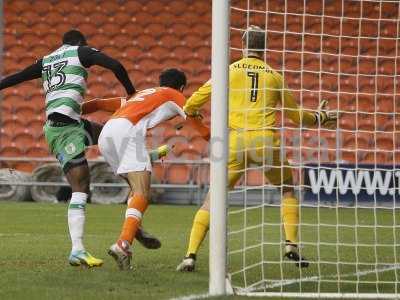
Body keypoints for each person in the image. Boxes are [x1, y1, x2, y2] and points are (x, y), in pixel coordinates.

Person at [176, 25, 338, 272]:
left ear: (242, 46)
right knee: (286, 189)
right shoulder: (274, 75)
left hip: (235, 142)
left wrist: (192, 111)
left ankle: (190, 255)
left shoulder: (227, 71)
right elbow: (296, 117)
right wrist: (321, 117)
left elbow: (192, 102)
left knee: (213, 199)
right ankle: (291, 244)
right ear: (264, 48)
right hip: (266, 141)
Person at [0, 29, 159, 267]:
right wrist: (131, 92)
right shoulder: (80, 52)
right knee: (81, 183)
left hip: (73, 122)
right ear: (81, 42)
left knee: (112, 136)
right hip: (63, 129)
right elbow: (115, 65)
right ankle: (77, 249)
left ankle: (136, 218)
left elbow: (15, 78)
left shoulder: (46, 61)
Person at [81, 68, 209, 270]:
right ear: (182, 87)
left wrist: (67, 113)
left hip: (106, 135)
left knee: (135, 188)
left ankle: (134, 230)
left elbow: (97, 103)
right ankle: (123, 244)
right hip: (128, 132)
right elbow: (191, 112)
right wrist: (210, 137)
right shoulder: (173, 94)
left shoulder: (140, 95)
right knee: (142, 192)